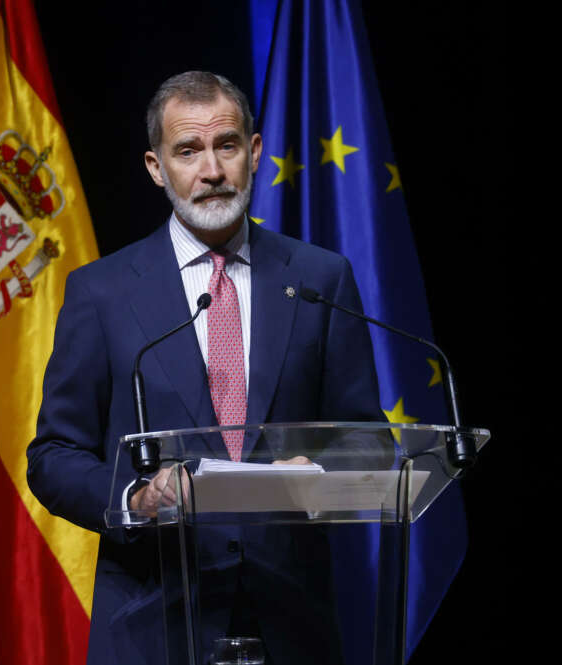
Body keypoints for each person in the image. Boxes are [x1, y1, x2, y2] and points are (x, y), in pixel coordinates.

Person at [27, 71, 389, 665]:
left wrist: (318, 466)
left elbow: (369, 440)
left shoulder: (320, 278)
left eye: (226, 146)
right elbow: (54, 454)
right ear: (155, 167)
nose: (212, 170)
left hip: (292, 623)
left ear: (253, 152)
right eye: (187, 151)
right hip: (153, 623)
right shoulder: (102, 292)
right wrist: (137, 497)